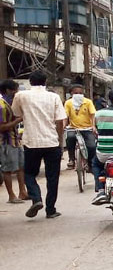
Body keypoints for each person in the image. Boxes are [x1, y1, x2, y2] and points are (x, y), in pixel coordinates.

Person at [11, 70, 66, 219]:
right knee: (52, 177)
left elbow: (16, 113)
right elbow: (60, 121)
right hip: (51, 141)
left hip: (31, 141)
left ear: (30, 82)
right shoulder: (54, 97)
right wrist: (60, 141)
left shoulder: (21, 96)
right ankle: (50, 209)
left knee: (29, 173)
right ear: (45, 81)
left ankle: (36, 199)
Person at [0, 79, 27, 204]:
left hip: (16, 140)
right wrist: (19, 120)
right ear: (8, 90)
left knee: (21, 167)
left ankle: (23, 192)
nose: (16, 93)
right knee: (8, 169)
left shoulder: (11, 103)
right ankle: (11, 195)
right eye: (14, 90)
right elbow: (2, 127)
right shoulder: (2, 106)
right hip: (6, 142)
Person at [64, 84, 97, 171]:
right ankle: (71, 159)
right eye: (76, 93)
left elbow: (93, 114)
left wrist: (93, 126)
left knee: (92, 146)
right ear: (71, 94)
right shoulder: (68, 103)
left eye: (80, 93)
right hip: (73, 128)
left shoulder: (88, 102)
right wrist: (64, 126)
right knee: (70, 138)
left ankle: (90, 163)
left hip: (87, 128)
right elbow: (65, 116)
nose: (78, 94)